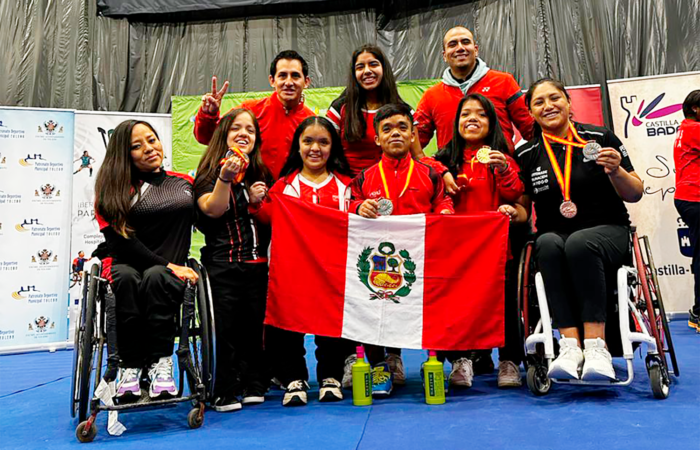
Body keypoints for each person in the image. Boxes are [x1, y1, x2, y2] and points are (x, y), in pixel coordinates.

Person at [515, 78, 643, 381]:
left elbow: (635, 192)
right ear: (530, 113)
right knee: (546, 244)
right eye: (538, 102)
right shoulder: (526, 154)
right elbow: (523, 209)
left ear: (568, 102)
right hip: (555, 236)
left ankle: (597, 346)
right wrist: (509, 212)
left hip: (608, 230)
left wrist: (616, 171)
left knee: (580, 243)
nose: (548, 106)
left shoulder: (599, 137)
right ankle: (570, 345)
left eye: (554, 98)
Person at [250, 116, 356, 406]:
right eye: (308, 141)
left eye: (323, 142)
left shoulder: (347, 187)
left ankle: (330, 377)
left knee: (331, 324)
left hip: (334, 271)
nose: (315, 148)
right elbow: (266, 217)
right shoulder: (283, 187)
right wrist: (256, 202)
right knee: (288, 325)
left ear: (333, 147)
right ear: (297, 146)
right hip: (291, 272)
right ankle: (293, 378)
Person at [350, 103, 454, 397]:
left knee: (431, 309)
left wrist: (445, 212)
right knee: (375, 309)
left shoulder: (429, 174)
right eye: (387, 129)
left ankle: (434, 362)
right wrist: (358, 206)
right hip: (381, 262)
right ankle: (382, 364)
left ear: (413, 136)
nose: (395, 133)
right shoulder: (365, 177)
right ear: (377, 139)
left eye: (402, 127)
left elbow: (443, 201)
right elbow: (350, 203)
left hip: (422, 259)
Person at [94, 120, 198, 401]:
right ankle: (130, 366)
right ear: (123, 154)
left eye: (152, 140)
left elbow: (210, 214)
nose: (149, 148)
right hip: (126, 263)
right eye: (137, 146)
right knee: (129, 278)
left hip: (166, 271)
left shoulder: (184, 183)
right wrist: (168, 265)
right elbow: (120, 243)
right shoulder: (111, 190)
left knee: (156, 276)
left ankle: (161, 364)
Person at [429, 93, 526, 388]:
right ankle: (461, 360)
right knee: (458, 307)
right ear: (456, 123)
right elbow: (425, 169)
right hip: (455, 250)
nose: (472, 118)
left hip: (496, 249)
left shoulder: (503, 159)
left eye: (481, 114)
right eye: (465, 114)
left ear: (492, 122)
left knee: (505, 305)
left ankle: (509, 359)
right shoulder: (442, 161)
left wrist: (504, 170)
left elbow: (514, 194)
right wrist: (442, 172)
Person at [194, 108, 272, 412]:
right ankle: (223, 388)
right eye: (236, 128)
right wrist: (225, 178)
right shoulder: (209, 173)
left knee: (254, 328)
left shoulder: (260, 174)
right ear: (223, 135)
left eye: (250, 130)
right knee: (224, 330)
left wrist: (257, 202)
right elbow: (212, 209)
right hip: (222, 265)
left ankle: (254, 382)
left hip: (257, 266)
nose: (244, 134)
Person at [414, 26, 533, 193]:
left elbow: (531, 129)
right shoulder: (431, 96)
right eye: (453, 44)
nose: (460, 48)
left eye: (465, 42)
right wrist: (436, 168)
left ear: (476, 49)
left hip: (503, 180)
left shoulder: (504, 82)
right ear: (444, 55)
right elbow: (413, 140)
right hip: (455, 184)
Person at [194, 50, 314, 180]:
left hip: (291, 191)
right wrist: (209, 114)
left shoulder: (312, 122)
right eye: (282, 75)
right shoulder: (250, 110)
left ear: (306, 82)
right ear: (272, 80)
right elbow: (206, 137)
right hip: (249, 190)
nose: (289, 82)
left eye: (295, 76)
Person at [327, 44, 422, 177]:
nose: (367, 71)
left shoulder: (404, 111)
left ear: (384, 68)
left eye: (373, 64)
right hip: (349, 184)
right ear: (354, 73)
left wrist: (442, 173)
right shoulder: (339, 109)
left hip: (392, 184)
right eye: (360, 67)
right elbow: (327, 156)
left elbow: (418, 156)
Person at [673, 89, 700, 332]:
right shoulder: (694, 129)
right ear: (695, 109)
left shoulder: (686, 129)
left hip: (688, 197)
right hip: (694, 197)